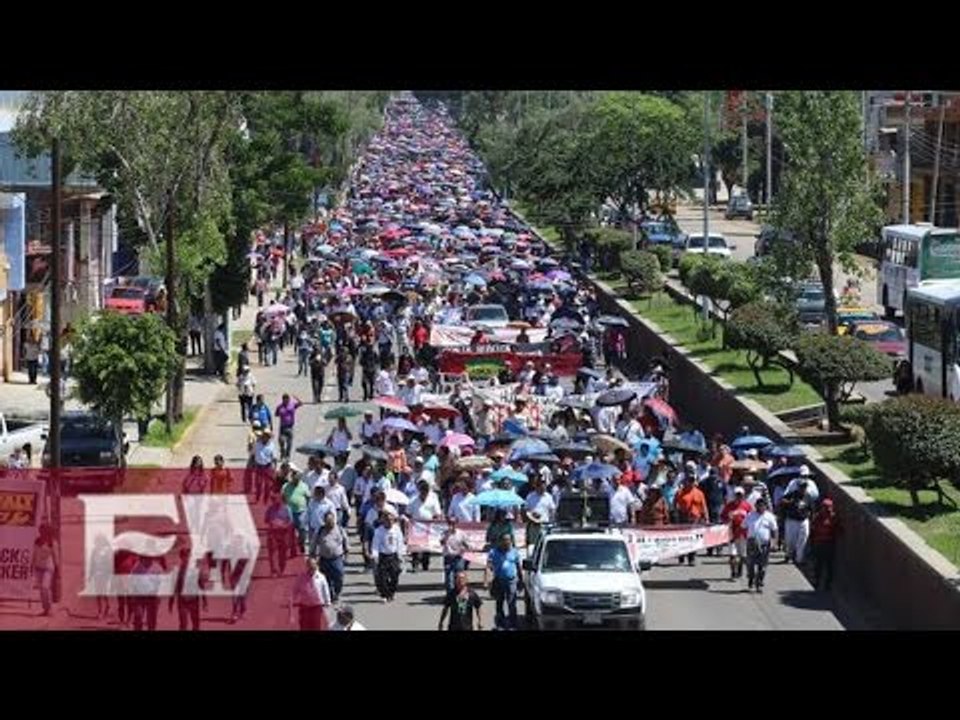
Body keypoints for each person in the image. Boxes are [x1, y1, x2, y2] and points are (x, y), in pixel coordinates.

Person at [484, 532, 523, 631]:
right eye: (505, 540)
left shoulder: (514, 552)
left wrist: (521, 580)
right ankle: (500, 623)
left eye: (509, 540)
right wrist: (486, 580)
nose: (507, 542)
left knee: (512, 602)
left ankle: (513, 623)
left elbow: (518, 566)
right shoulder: (493, 552)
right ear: (500, 541)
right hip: (499, 580)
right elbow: (488, 567)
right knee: (499, 602)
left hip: (511, 581)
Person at [168, 546, 208, 631]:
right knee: (183, 624)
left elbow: (201, 585)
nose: (186, 558)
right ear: (181, 557)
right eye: (184, 556)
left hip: (194, 601)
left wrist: (205, 601)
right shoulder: (178, 572)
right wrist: (171, 602)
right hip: (182, 602)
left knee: (195, 623)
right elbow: (174, 588)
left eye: (188, 556)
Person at [407, 480, 443, 572]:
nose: (424, 494)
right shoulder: (413, 500)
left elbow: (437, 513)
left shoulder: (433, 499)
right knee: (415, 546)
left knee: (427, 546)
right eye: (422, 491)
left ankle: (425, 563)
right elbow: (408, 513)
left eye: (425, 491)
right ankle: (415, 563)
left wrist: (435, 522)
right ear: (419, 491)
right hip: (416, 525)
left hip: (428, 525)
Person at [371, 506, 406, 602]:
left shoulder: (397, 529)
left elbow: (400, 542)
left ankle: (392, 591)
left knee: (395, 575)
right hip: (383, 556)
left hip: (393, 555)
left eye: (391, 520)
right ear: (383, 521)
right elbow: (375, 545)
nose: (389, 522)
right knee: (382, 577)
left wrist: (401, 555)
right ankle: (385, 594)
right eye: (387, 520)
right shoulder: (378, 531)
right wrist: (375, 556)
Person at [744, 496, 778, 593]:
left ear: (766, 506)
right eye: (759, 506)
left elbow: (775, 530)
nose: (761, 507)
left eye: (763, 506)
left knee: (762, 565)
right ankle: (751, 578)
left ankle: (759, 583)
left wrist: (774, 542)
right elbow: (743, 526)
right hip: (752, 543)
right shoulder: (750, 515)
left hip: (764, 544)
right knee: (750, 563)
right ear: (756, 506)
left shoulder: (770, 517)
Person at [674, 473, 709, 565]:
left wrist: (706, 517)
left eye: (692, 481)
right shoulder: (680, 492)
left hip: (695, 519)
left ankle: (691, 558)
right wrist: (676, 514)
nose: (691, 482)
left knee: (693, 539)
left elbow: (703, 506)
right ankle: (681, 557)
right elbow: (675, 503)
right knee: (682, 539)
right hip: (683, 517)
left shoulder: (699, 493)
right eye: (689, 480)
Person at [288, 557, 331, 630]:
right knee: (304, 626)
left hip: (316, 606)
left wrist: (328, 601)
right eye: (310, 566)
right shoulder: (301, 577)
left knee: (316, 625)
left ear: (316, 565)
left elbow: (325, 589)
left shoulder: (321, 577)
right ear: (307, 566)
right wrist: (292, 600)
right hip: (305, 606)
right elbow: (295, 590)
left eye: (314, 565)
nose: (312, 568)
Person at [315, 511, 348, 602]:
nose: (330, 523)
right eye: (328, 521)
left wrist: (346, 552)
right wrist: (313, 554)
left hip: (337, 558)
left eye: (331, 520)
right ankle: (330, 595)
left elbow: (345, 541)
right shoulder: (321, 531)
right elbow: (314, 543)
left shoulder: (339, 529)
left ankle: (337, 592)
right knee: (326, 579)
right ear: (324, 521)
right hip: (324, 559)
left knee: (339, 576)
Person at [720, 486, 753, 581]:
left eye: (740, 495)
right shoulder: (729, 506)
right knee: (732, 554)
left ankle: (739, 570)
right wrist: (727, 520)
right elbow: (722, 517)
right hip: (732, 534)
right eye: (737, 495)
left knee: (742, 555)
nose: (739, 497)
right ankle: (733, 572)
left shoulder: (747, 506)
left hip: (743, 534)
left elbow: (752, 518)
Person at [809, 498, 841, 591]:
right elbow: (813, 530)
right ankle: (817, 582)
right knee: (818, 564)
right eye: (826, 507)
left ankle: (828, 584)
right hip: (819, 543)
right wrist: (812, 542)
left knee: (829, 564)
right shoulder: (817, 517)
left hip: (829, 544)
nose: (828, 510)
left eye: (829, 507)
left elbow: (838, 529)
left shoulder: (834, 517)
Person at [266, 492, 294, 576]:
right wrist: (272, 522)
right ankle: (273, 570)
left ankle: (281, 568)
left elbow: (291, 521)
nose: (274, 501)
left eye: (276, 499)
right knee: (272, 552)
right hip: (273, 533)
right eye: (273, 499)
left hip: (283, 533)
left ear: (281, 499)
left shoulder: (287, 509)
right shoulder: (270, 509)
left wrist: (283, 525)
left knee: (283, 552)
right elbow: (266, 519)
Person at [32, 524, 56, 617]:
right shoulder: (37, 541)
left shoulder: (52, 543)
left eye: (43, 531)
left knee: (45, 587)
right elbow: (34, 554)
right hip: (38, 568)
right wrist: (32, 565)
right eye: (40, 531)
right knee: (42, 590)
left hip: (48, 568)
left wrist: (57, 569)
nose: (41, 533)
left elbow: (55, 556)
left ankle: (49, 608)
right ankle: (45, 609)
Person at [253, 429, 279, 504]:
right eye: (265, 436)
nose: (265, 437)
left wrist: (275, 468)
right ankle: (257, 498)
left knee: (267, 484)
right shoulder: (257, 444)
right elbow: (253, 454)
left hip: (267, 466)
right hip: (258, 466)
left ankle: (266, 499)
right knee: (258, 483)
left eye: (267, 436)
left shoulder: (271, 445)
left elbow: (274, 457)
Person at [275, 394, 303, 461]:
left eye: (287, 399)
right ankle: (282, 452)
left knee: (289, 443)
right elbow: (276, 414)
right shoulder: (280, 407)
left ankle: (287, 456)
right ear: (283, 400)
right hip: (282, 427)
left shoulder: (292, 405)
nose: (286, 401)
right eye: (284, 400)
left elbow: (301, 403)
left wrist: (297, 398)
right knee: (281, 441)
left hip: (290, 426)